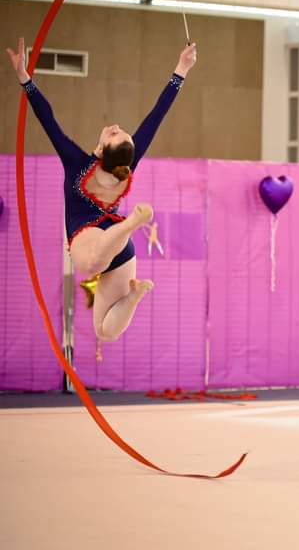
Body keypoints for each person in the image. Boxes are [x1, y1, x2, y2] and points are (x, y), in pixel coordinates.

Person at [7, 37, 196, 345]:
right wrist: (181, 70)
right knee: (105, 331)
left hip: (93, 235)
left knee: (93, 262)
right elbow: (156, 115)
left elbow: (48, 120)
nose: (115, 126)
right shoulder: (128, 164)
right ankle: (134, 293)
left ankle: (131, 223)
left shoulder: (76, 162)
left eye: (114, 133)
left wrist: (25, 79)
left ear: (101, 149)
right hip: (118, 242)